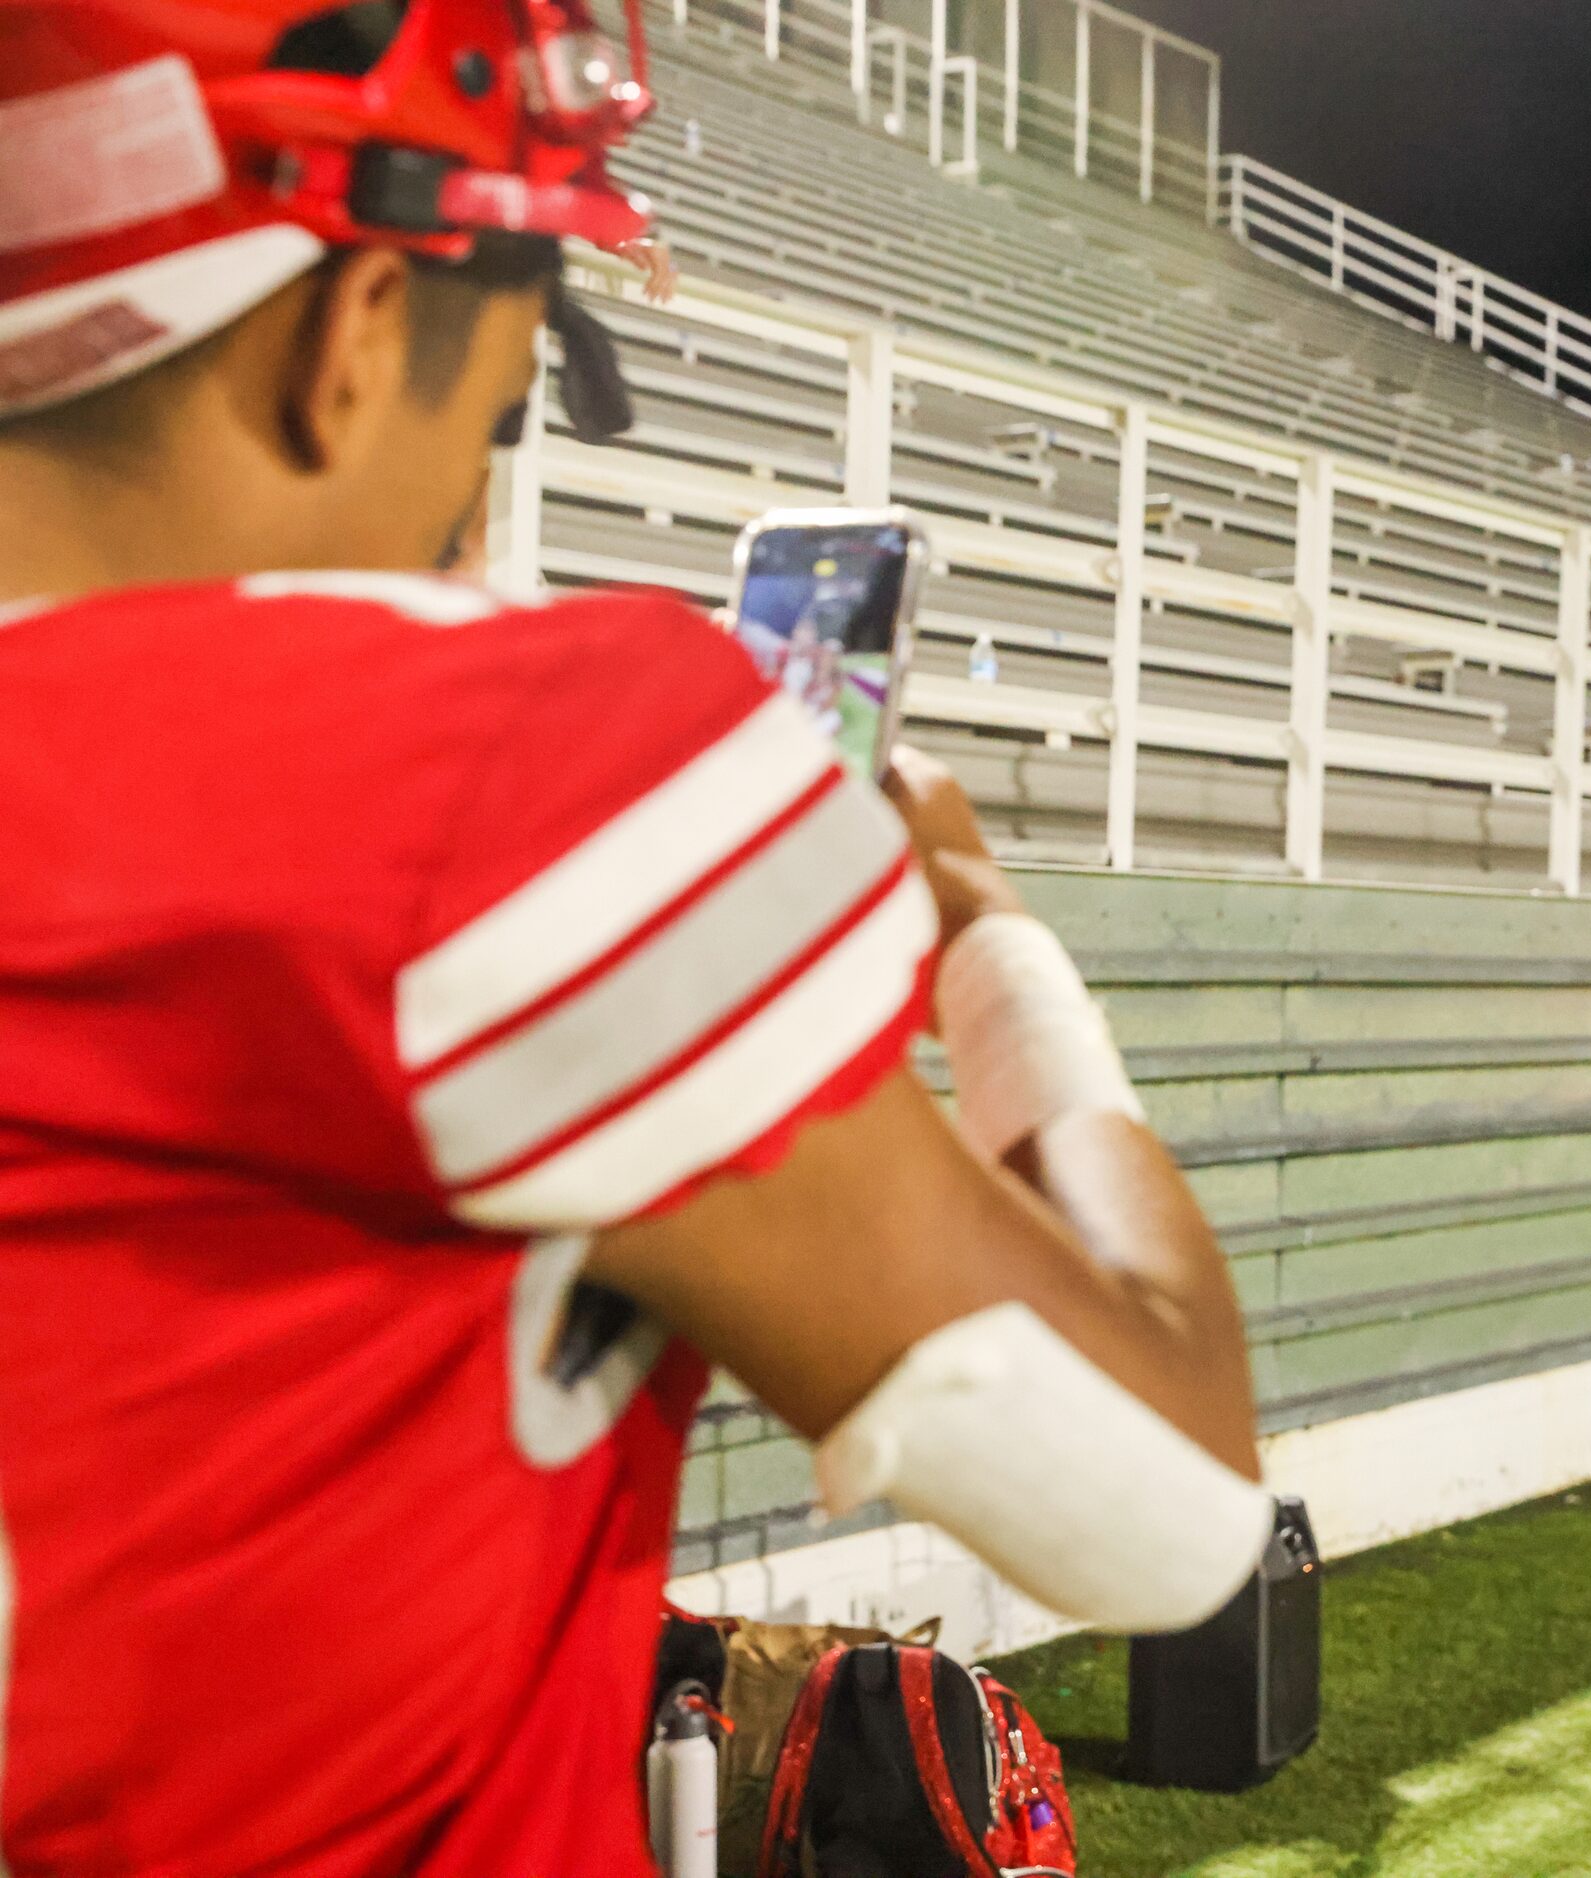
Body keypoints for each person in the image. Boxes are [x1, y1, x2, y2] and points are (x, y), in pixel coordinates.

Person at [0, 5, 1267, 1872]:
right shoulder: (480, 769)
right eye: (505, 396)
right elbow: (1160, 1506)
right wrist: (987, 937)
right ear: (348, 334)